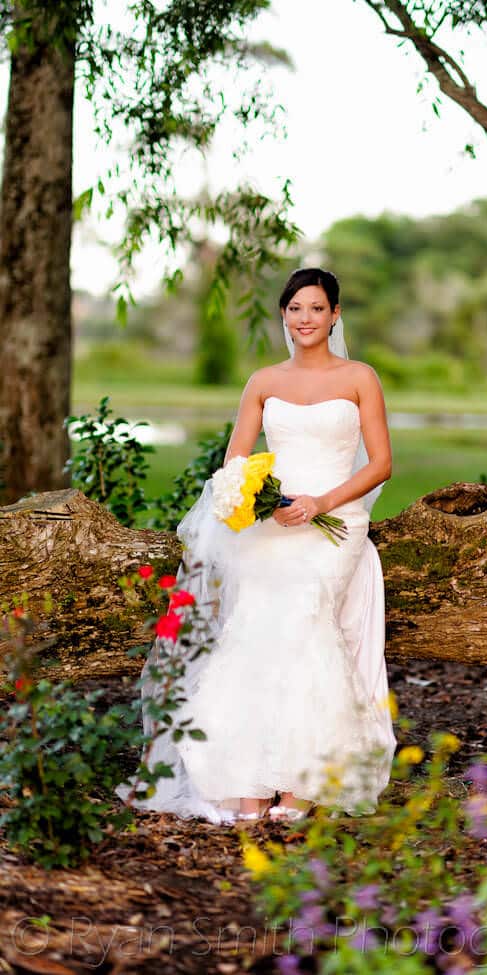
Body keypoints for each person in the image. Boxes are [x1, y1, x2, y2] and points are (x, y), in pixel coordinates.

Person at [116, 267, 397, 824]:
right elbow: (234, 465)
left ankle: (301, 781)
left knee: (304, 618)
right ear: (284, 316)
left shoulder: (360, 377)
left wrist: (322, 502)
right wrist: (261, 499)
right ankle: (246, 778)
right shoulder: (263, 382)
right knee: (255, 629)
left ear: (335, 315)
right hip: (273, 521)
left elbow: (382, 463)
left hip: (334, 519)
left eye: (317, 308)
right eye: (295, 309)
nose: (305, 319)